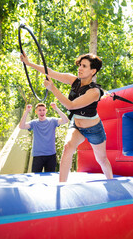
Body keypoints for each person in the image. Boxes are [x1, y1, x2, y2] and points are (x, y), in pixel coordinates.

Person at [20, 52, 113, 182]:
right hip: (76, 126)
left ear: (93, 71)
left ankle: (111, 182)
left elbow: (71, 105)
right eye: (80, 65)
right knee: (68, 147)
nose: (80, 68)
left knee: (101, 159)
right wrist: (29, 63)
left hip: (93, 128)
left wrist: (53, 88)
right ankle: (62, 186)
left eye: (84, 66)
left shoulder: (94, 92)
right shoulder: (73, 80)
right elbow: (51, 72)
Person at [19, 102, 69, 173]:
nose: (42, 112)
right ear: (36, 112)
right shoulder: (34, 123)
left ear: (46, 111)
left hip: (51, 155)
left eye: (43, 110)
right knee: (35, 178)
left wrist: (56, 108)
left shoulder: (52, 121)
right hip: (38, 156)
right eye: (39, 110)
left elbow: (65, 120)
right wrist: (26, 111)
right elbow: (21, 126)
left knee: (49, 179)